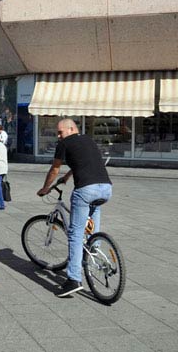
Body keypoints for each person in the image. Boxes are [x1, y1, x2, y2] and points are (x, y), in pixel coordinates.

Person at [37, 118, 112, 298]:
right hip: (106, 188)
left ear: (71, 129)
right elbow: (82, 163)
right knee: (92, 220)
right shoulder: (88, 140)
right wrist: (67, 178)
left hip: (86, 189)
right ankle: (93, 250)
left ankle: (73, 280)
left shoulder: (65, 143)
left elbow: (54, 169)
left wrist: (46, 188)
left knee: (75, 233)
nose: (58, 135)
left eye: (60, 132)